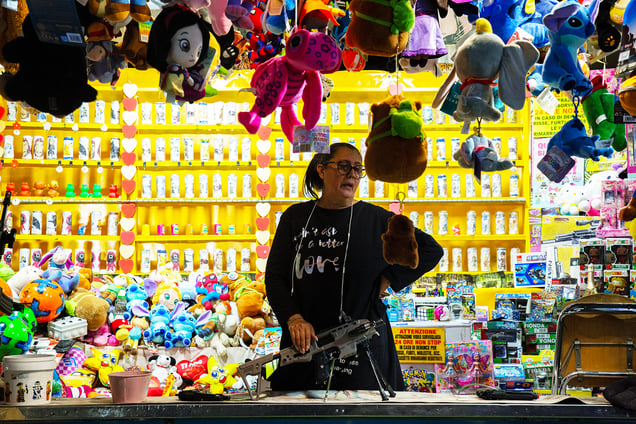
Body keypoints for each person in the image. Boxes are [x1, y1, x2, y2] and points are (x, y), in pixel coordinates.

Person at [265, 142, 443, 391]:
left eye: (358, 169)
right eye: (343, 166)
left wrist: (389, 279)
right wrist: (293, 318)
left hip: (363, 347)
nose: (352, 174)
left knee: (366, 411)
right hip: (304, 346)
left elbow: (431, 250)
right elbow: (275, 277)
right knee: (303, 409)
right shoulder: (295, 217)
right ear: (321, 170)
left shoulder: (377, 219)